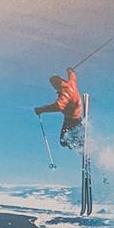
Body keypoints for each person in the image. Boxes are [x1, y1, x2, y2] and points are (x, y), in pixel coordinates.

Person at [35, 69, 94, 216]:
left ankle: (81, 147)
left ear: (56, 84)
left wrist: (41, 110)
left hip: (72, 120)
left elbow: (59, 106)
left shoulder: (64, 93)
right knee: (67, 139)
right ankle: (81, 144)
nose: (54, 88)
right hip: (76, 117)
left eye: (54, 86)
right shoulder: (70, 83)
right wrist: (71, 70)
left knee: (63, 141)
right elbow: (73, 75)